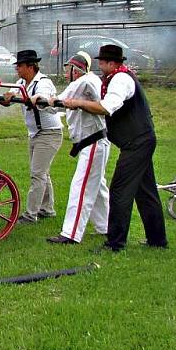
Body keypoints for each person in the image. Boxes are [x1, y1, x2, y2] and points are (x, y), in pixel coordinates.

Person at [62, 44, 168, 251]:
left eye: (102, 62)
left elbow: (105, 108)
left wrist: (78, 103)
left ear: (112, 63)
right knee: (146, 192)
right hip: (138, 141)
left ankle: (115, 243)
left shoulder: (121, 79)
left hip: (137, 143)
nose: (100, 66)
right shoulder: (114, 78)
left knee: (119, 191)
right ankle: (157, 240)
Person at [40, 52, 110, 244]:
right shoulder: (89, 82)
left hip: (93, 142)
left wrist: (40, 99)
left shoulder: (83, 81)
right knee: (98, 188)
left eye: (68, 69)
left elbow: (56, 103)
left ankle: (71, 234)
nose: (65, 73)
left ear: (76, 70)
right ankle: (106, 226)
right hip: (94, 142)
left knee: (81, 187)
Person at [0, 49, 63, 224]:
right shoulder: (21, 82)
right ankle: (47, 209)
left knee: (37, 174)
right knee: (42, 173)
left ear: (31, 66)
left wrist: (30, 97)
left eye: (20, 66)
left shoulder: (43, 82)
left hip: (49, 133)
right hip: (35, 133)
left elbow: (42, 97)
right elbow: (9, 98)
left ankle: (30, 215)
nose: (17, 69)